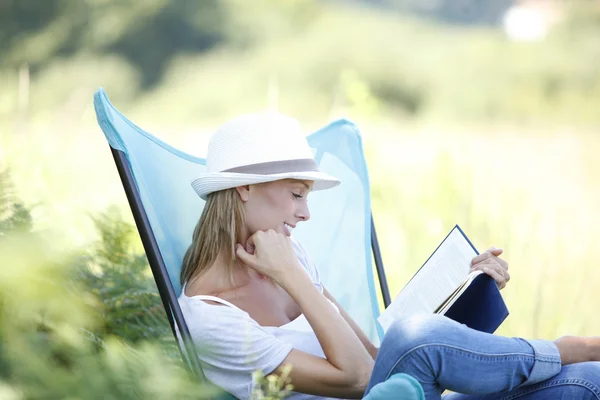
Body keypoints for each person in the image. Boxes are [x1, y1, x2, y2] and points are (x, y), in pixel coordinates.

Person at [178, 113, 600, 400]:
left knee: (583, 383)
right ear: (243, 189)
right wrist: (293, 277)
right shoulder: (209, 319)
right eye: (295, 195)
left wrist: (459, 294)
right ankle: (569, 347)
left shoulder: (291, 259)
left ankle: (575, 357)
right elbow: (357, 379)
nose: (305, 213)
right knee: (415, 338)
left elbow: (375, 358)